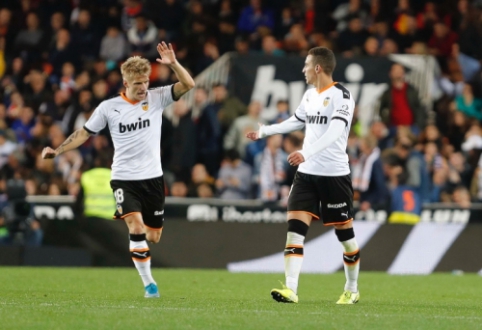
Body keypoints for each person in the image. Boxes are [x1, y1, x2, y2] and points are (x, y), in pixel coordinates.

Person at [41, 42, 195, 298]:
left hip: (153, 179)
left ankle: (144, 259)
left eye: (146, 81)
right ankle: (149, 285)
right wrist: (58, 151)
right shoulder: (108, 108)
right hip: (124, 178)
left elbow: (189, 85)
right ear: (126, 83)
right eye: (138, 84)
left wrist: (174, 64)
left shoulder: (157, 98)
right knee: (135, 227)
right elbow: (83, 133)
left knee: (153, 237)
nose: (144, 87)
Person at [246, 47, 360, 304]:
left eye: (306, 65)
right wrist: (265, 132)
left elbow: (334, 133)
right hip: (306, 175)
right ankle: (291, 289)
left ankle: (352, 288)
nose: (303, 70)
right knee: (294, 231)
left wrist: (306, 151)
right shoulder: (310, 95)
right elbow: (295, 121)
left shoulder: (342, 96)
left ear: (318, 67)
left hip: (334, 175)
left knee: (346, 238)